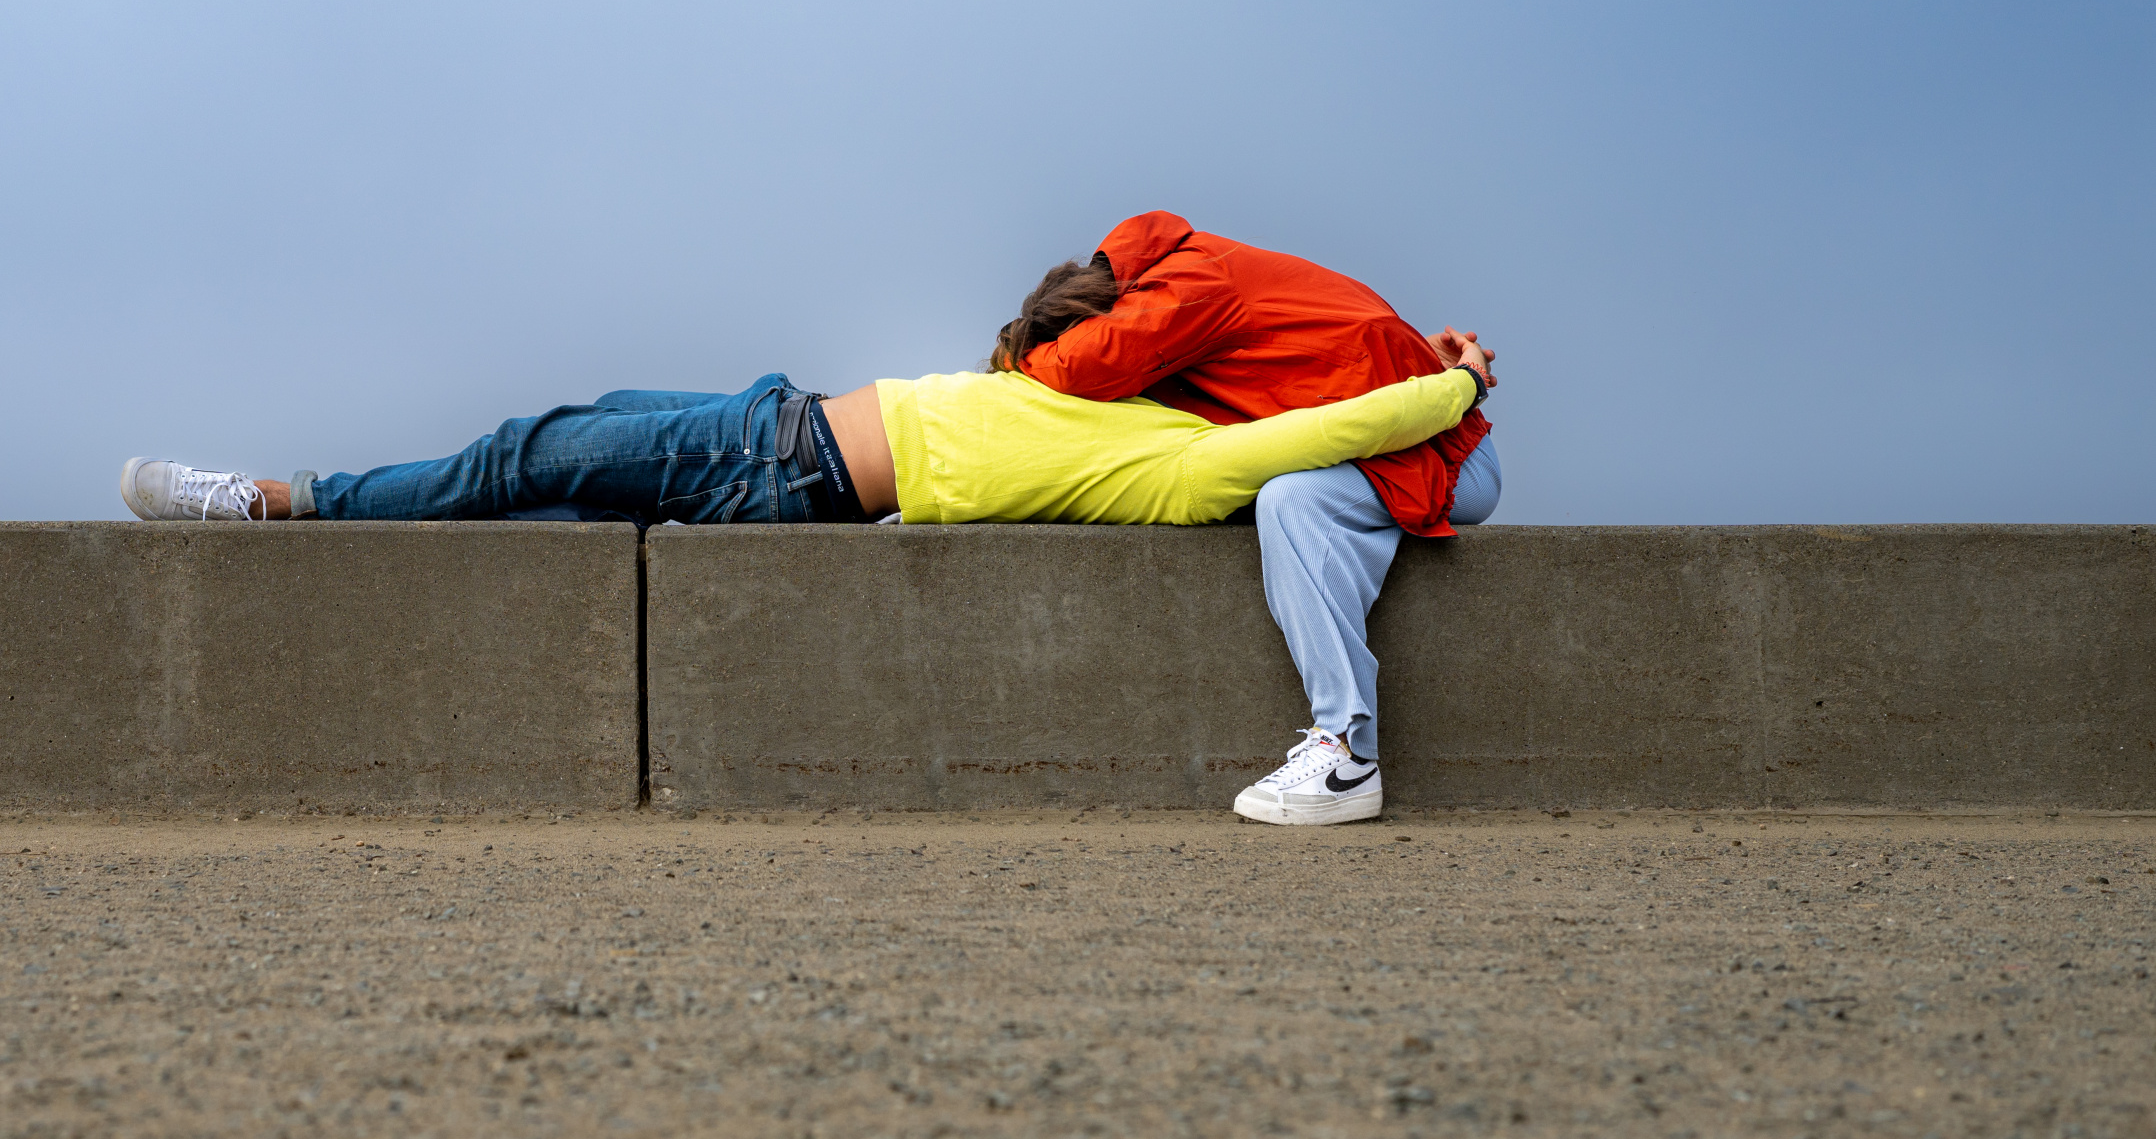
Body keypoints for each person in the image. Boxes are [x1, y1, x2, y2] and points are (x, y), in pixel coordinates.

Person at [996, 211, 1499, 828]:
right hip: (1420, 443)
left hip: (1448, 462)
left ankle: (1348, 756)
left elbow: (1081, 367)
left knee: (1291, 500)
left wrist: (1014, 354)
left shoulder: (1188, 287)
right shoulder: (1190, 269)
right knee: (1265, 491)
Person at [120, 343, 1489, 533]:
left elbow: (1344, 417)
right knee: (575, 442)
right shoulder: (1136, 403)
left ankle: (278, 501)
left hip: (781, 465)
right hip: (784, 420)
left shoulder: (1188, 468)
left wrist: (1445, 389)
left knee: (522, 453)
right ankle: (319, 501)